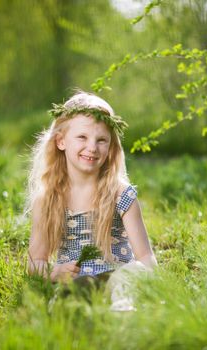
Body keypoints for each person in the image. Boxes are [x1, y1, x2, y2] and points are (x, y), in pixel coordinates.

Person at [27, 91, 157, 310]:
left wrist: (147, 278)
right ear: (61, 141)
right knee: (73, 292)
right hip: (76, 278)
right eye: (82, 137)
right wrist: (54, 271)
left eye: (101, 140)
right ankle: (73, 307)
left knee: (129, 274)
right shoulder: (48, 199)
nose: (92, 147)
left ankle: (121, 309)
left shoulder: (120, 194)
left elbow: (145, 256)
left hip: (118, 276)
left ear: (111, 147)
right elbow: (34, 263)